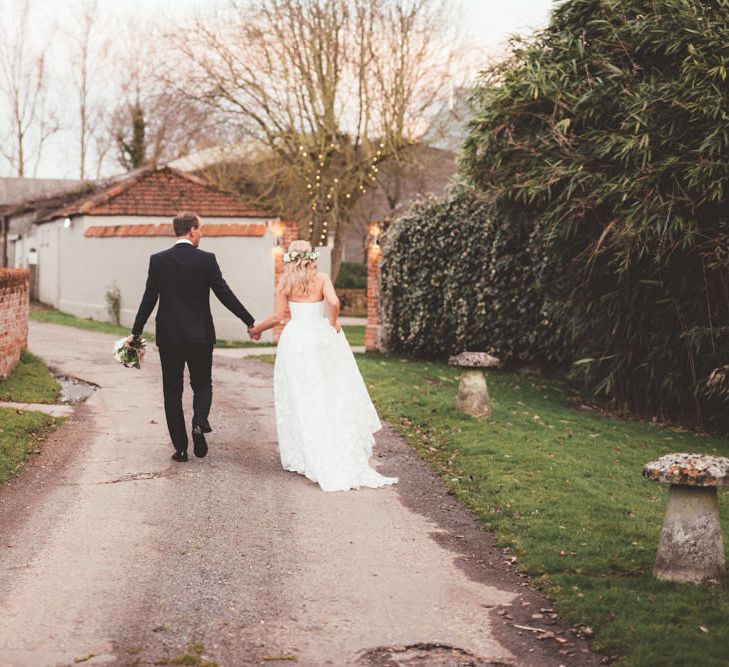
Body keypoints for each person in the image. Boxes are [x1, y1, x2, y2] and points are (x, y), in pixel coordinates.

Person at [249, 240, 398, 492]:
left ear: (290, 258)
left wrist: (256, 330)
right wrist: (333, 322)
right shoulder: (322, 278)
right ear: (311, 256)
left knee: (300, 395)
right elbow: (335, 302)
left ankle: (304, 451)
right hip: (320, 336)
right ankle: (331, 443)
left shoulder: (285, 282)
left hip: (296, 340)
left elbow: (277, 317)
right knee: (326, 391)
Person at [129, 211, 257, 462]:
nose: (202, 234)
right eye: (201, 229)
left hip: (170, 337)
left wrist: (136, 332)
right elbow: (224, 294)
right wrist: (249, 321)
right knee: (202, 384)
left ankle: (180, 449)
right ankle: (199, 421)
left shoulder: (158, 260)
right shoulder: (207, 260)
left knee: (171, 392)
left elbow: (149, 299)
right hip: (200, 335)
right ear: (192, 231)